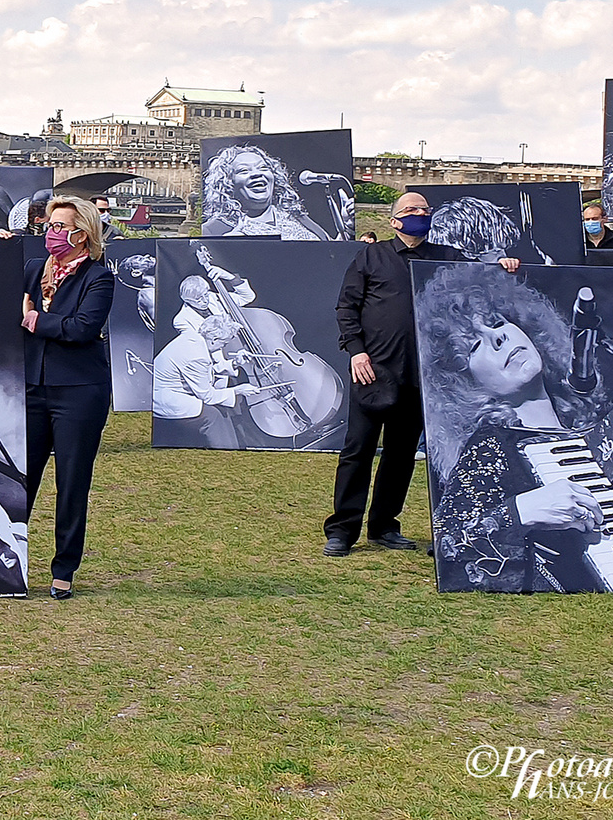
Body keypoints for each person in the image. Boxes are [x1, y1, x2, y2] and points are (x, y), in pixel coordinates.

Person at [328, 191, 516, 558]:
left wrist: (504, 265)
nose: (420, 214)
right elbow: (346, 306)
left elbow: (483, 276)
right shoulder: (371, 256)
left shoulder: (445, 258)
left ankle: (383, 526)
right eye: (411, 210)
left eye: (425, 210)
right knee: (358, 451)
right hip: (374, 370)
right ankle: (342, 530)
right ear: (394, 220)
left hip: (423, 377)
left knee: (400, 455)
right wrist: (357, 351)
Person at [415, 267, 613, 592]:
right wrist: (522, 511)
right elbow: (446, 545)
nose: (498, 337)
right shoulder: (490, 447)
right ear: (465, 384)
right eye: (473, 346)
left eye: (497, 322)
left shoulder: (596, 419)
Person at [20, 196, 115, 599]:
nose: (52, 234)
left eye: (61, 228)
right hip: (31, 386)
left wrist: (36, 320)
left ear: (84, 234)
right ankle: (8, 559)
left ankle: (64, 569)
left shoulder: (99, 277)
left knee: (72, 481)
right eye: (49, 226)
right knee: (21, 479)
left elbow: (82, 328)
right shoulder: (30, 269)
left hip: (79, 392)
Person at [152, 315, 267, 450]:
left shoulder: (194, 338)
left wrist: (235, 363)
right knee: (213, 417)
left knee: (223, 410)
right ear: (214, 339)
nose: (222, 348)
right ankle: (226, 455)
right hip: (169, 400)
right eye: (224, 344)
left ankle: (234, 448)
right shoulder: (197, 355)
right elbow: (207, 396)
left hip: (178, 392)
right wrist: (238, 390)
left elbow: (205, 373)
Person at [200, 145, 331, 240]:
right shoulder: (213, 230)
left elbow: (332, 253)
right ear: (227, 184)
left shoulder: (295, 216)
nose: (257, 174)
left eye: (263, 168)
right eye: (244, 171)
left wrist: (347, 228)